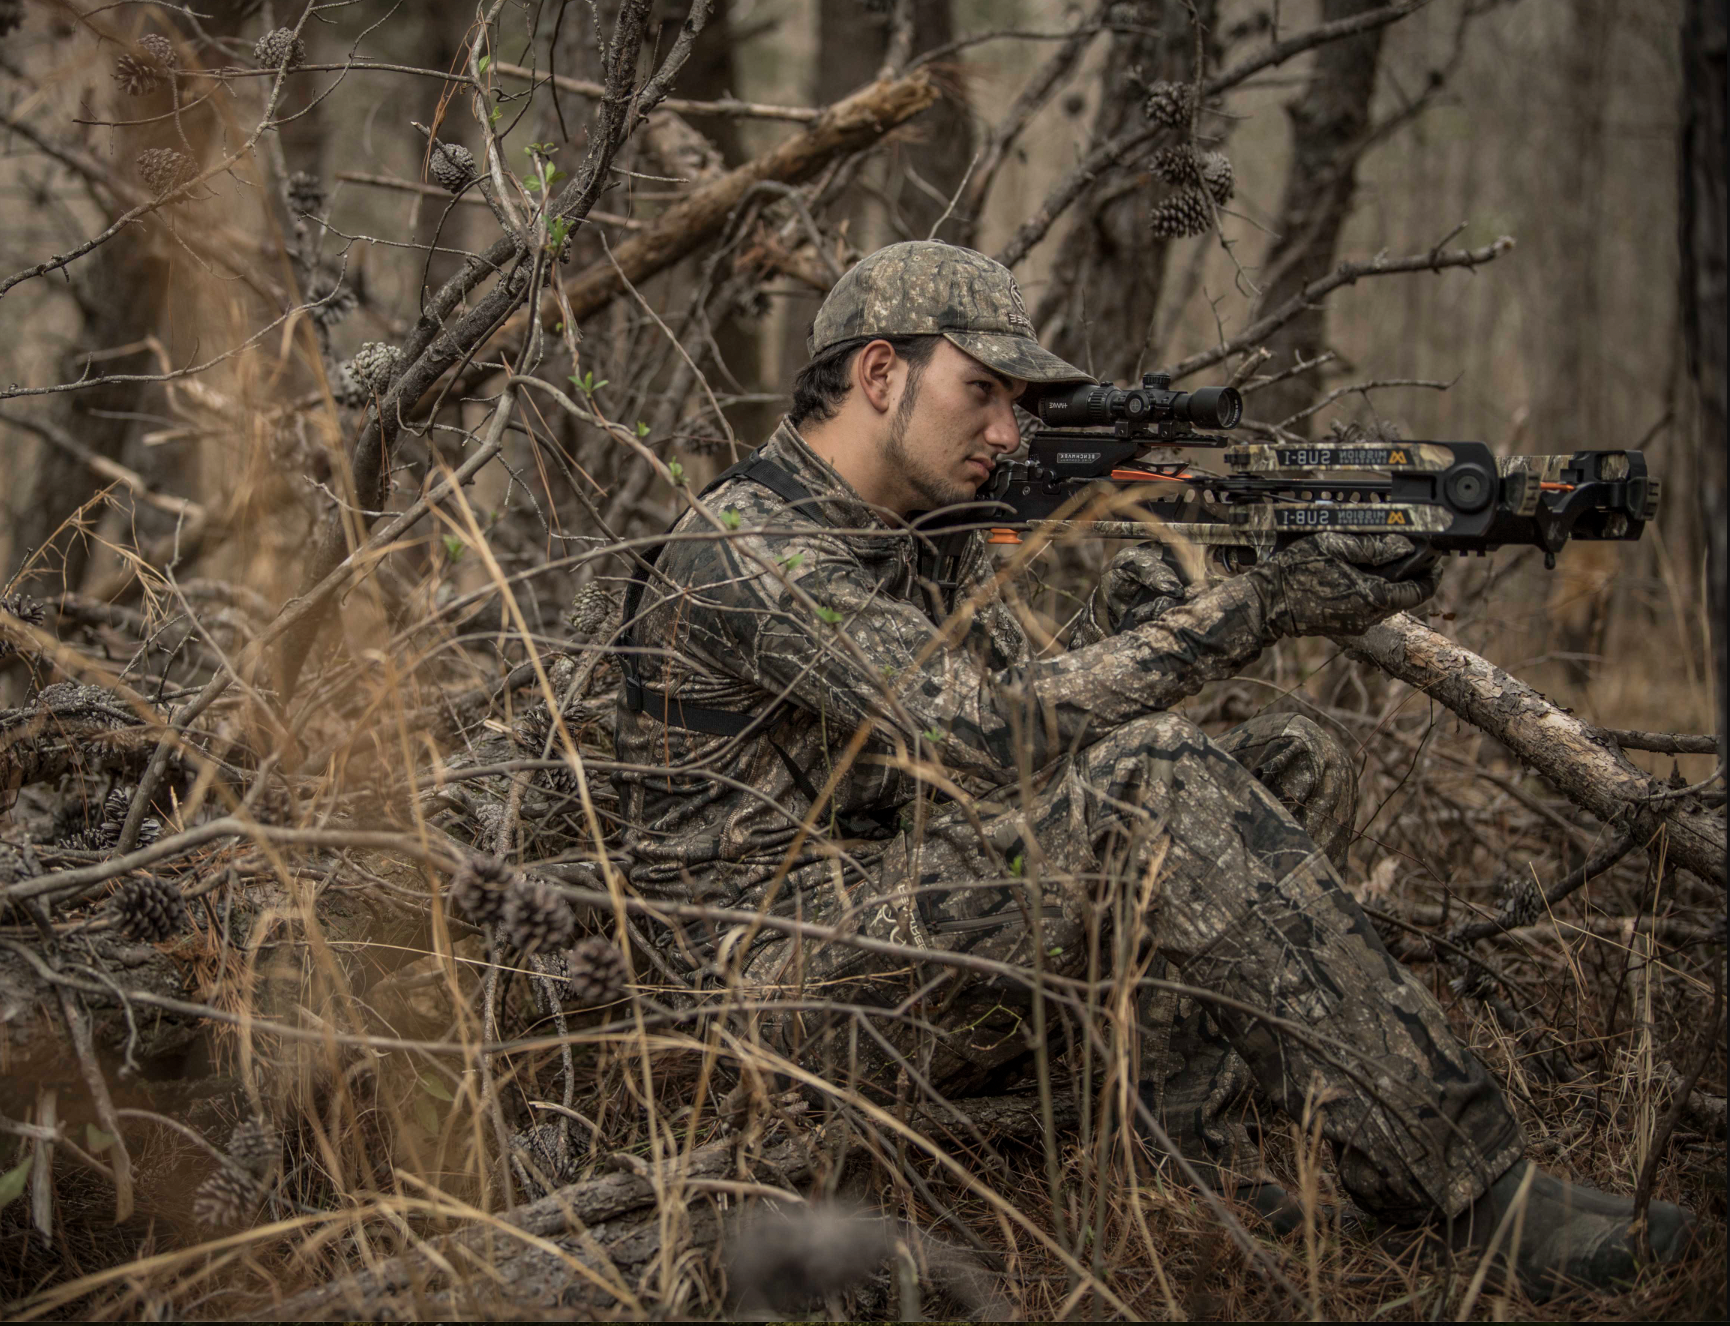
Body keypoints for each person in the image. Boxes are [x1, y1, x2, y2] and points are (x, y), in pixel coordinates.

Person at [609, 240, 1694, 1297]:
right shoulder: (753, 545)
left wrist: (1164, 589)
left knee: (1287, 761)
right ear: (878, 373)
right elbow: (985, 736)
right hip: (753, 1004)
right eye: (981, 390)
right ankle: (1476, 1191)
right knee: (1155, 778)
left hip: (872, 924)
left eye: (1015, 401)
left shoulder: (911, 532)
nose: (1005, 427)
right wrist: (1255, 610)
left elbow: (1018, 748)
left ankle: (1188, 1166)